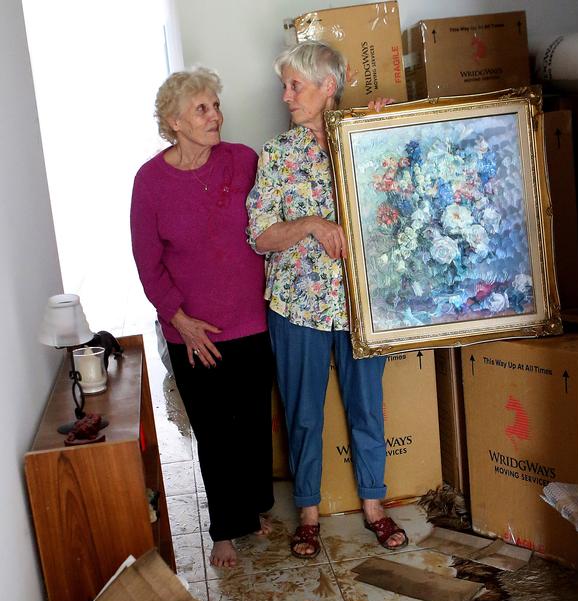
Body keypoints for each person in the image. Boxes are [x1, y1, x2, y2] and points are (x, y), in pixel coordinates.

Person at [246, 41, 407, 559]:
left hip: (361, 306)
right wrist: (312, 225)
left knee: (366, 410)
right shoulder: (278, 155)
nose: (286, 95)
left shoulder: (364, 137)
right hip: (298, 306)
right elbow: (260, 235)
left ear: (327, 87)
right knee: (303, 414)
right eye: (286, 85)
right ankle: (309, 515)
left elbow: (405, 201)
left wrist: (388, 134)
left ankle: (374, 509)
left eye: (296, 85)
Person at [131, 68, 274, 568]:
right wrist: (181, 320)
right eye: (202, 109)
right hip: (193, 331)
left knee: (254, 423)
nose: (215, 116)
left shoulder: (244, 160)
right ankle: (225, 531)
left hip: (253, 321)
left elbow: (287, 198)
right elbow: (147, 262)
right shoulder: (150, 182)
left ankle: (254, 509)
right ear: (174, 122)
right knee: (215, 430)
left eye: (216, 105)